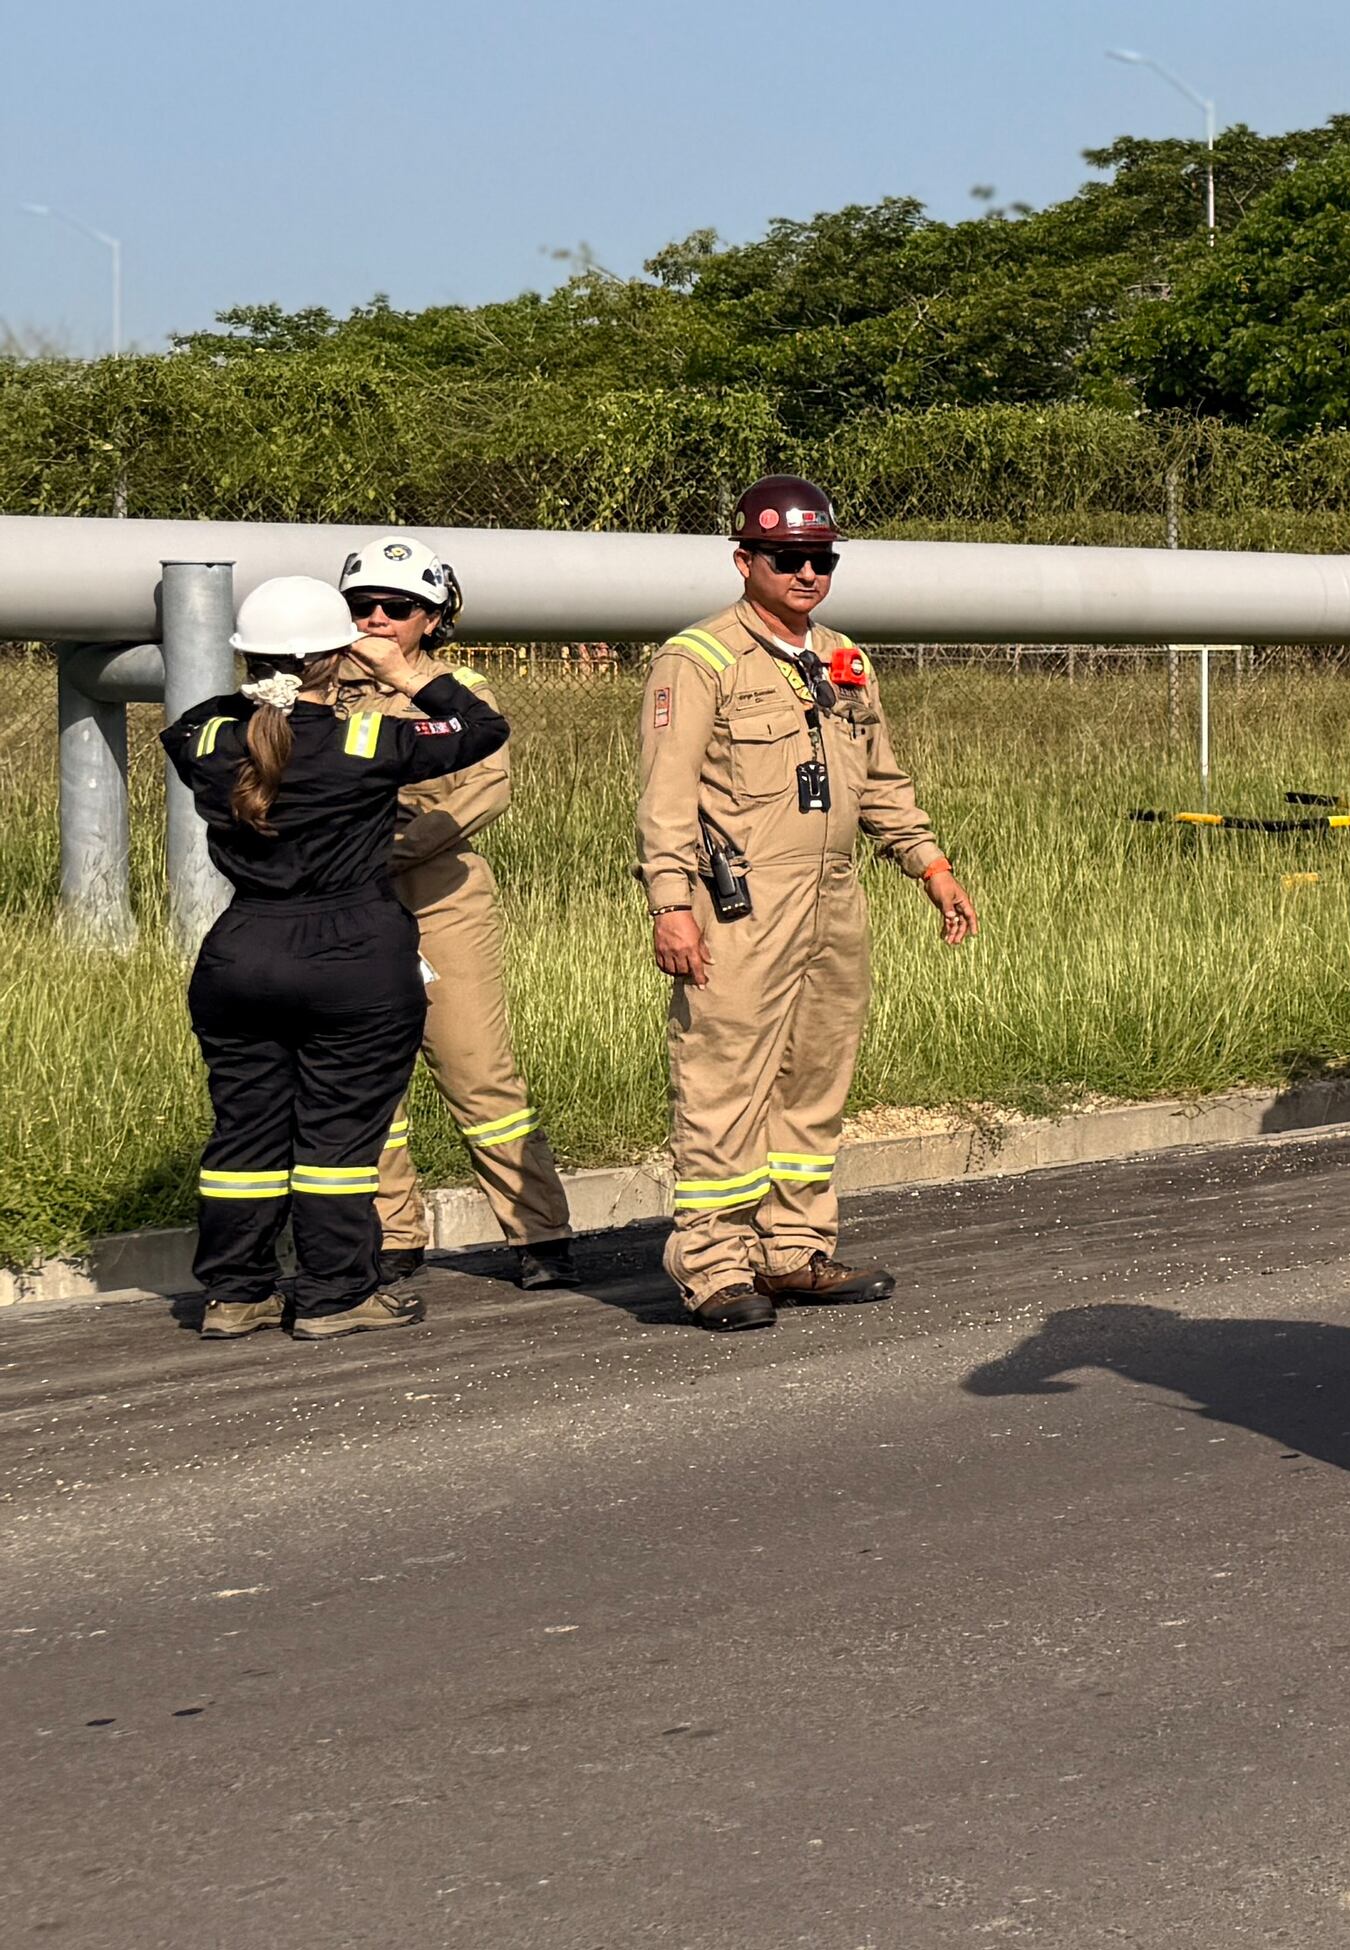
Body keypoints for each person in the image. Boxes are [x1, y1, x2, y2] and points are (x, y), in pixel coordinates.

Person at [634, 476, 978, 1332]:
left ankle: (793, 1250)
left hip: (833, 899)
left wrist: (930, 864)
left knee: (814, 1079)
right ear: (745, 559)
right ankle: (713, 1263)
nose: (806, 572)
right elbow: (666, 796)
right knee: (724, 1080)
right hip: (741, 904)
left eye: (820, 557)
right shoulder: (701, 657)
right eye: (787, 557)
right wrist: (670, 903)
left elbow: (883, 780)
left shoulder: (842, 660)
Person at [158, 574, 512, 1341]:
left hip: (242, 952)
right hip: (352, 952)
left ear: (249, 660)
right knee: (339, 1136)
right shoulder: (370, 741)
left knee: (244, 1133)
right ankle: (334, 1293)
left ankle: (235, 1292)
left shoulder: (213, 742)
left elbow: (187, 724)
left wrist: (265, 688)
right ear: (334, 653)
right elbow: (480, 727)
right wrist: (399, 670)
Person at [331, 537, 579, 1294]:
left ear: (433, 617)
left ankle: (539, 1230)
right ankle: (393, 1233)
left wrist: (382, 850)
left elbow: (480, 793)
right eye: (361, 604)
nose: (376, 617)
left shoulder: (456, 691)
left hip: (438, 895)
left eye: (396, 607)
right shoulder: (315, 686)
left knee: (475, 1067)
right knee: (369, 1073)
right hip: (344, 902)